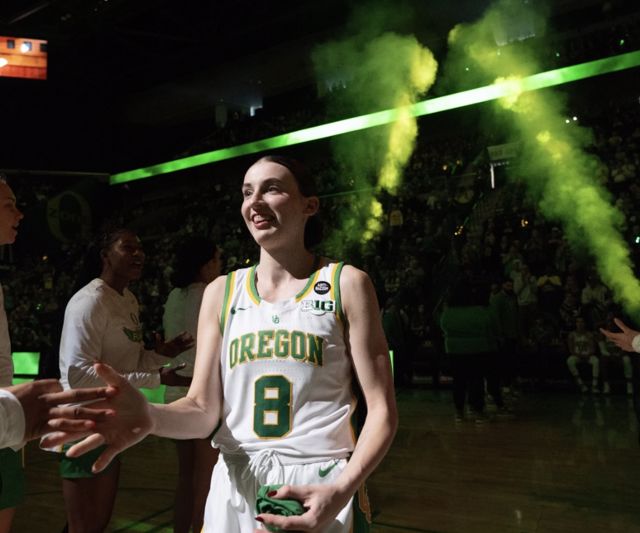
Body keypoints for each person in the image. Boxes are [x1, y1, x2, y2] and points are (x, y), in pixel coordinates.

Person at [55, 155, 397, 533]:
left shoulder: (346, 284)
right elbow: (202, 410)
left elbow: (382, 411)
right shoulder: (221, 292)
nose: (255, 201)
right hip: (234, 480)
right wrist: (150, 416)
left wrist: (341, 489)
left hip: (317, 481)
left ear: (309, 205)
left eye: (272, 188)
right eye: (247, 192)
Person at [57, 228, 195, 533]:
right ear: (105, 256)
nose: (138, 254)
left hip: (112, 421)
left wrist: (159, 356)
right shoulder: (90, 301)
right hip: (83, 422)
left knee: (96, 524)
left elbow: (128, 365)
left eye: (140, 248)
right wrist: (156, 377)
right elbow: (78, 376)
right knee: (85, 526)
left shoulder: (128, 300)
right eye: (128, 247)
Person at [163, 237, 222, 533]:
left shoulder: (174, 296)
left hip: (174, 394)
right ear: (207, 265)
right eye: (218, 260)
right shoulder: (211, 294)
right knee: (205, 482)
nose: (221, 266)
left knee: (185, 477)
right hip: (200, 397)